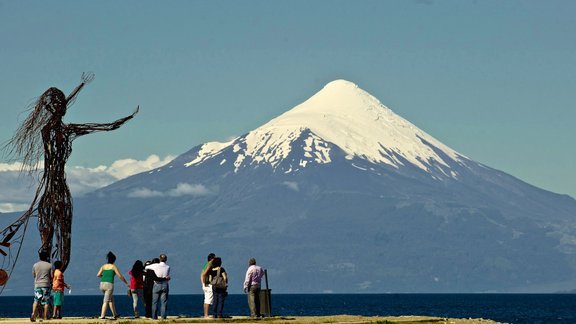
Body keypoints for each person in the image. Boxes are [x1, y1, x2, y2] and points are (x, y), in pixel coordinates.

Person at [97, 251, 129, 319]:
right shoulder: (113, 267)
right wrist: (126, 283)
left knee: (111, 300)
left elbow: (98, 275)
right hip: (109, 285)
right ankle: (102, 316)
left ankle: (115, 314)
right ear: (114, 260)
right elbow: (120, 276)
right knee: (106, 301)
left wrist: (104, 276)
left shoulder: (103, 266)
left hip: (102, 284)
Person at [145, 254, 170, 320]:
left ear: (160, 259)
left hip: (157, 284)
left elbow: (146, 267)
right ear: (166, 259)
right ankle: (163, 317)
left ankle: (154, 317)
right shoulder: (168, 267)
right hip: (165, 284)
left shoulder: (155, 266)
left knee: (155, 302)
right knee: (164, 302)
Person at [31, 250, 52, 322]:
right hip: (46, 285)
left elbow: (34, 275)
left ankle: (33, 314)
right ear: (46, 257)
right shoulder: (49, 265)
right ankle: (45, 317)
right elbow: (51, 276)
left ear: (39, 256)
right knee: (46, 301)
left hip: (37, 285)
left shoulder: (35, 265)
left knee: (36, 300)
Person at [200, 253, 215, 318]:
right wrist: (205, 283)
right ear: (212, 259)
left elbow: (201, 274)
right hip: (208, 284)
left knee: (206, 299)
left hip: (205, 284)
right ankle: (206, 315)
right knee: (208, 300)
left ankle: (206, 314)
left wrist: (202, 283)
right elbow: (204, 274)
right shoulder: (210, 265)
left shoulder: (205, 265)